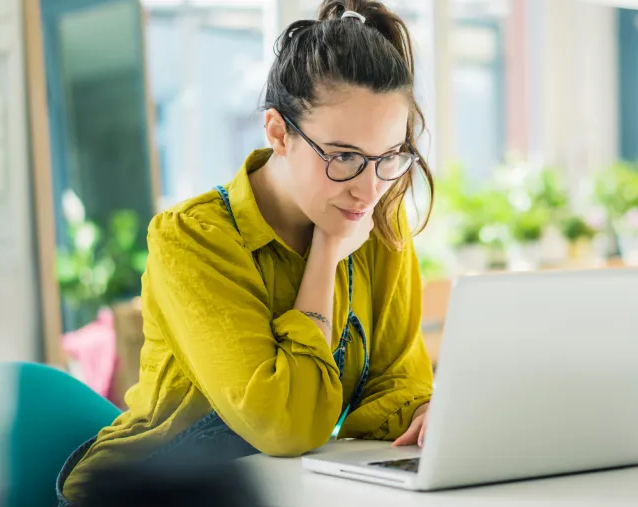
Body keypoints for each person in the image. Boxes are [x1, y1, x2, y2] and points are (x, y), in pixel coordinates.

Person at [57, 0, 435, 504]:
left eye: (388, 158)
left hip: (281, 488)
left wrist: (423, 416)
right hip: (148, 491)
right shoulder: (191, 240)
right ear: (278, 132)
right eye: (344, 156)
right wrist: (326, 254)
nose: (368, 190)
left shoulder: (377, 223)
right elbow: (286, 424)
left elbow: (396, 382)